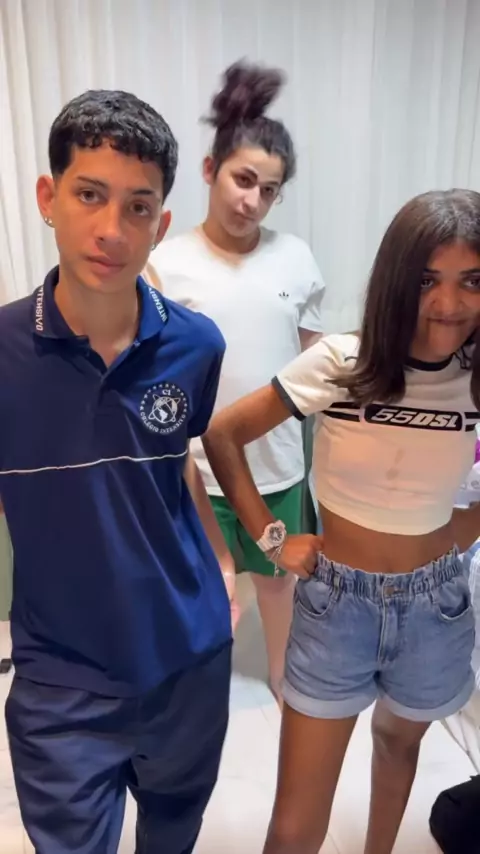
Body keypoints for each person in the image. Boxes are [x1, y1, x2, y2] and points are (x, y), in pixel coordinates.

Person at [202, 188, 480, 854]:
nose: (448, 303)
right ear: (396, 281)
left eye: (471, 280)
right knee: (295, 824)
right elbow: (223, 434)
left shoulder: (474, 378)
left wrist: (460, 532)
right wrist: (273, 538)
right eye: (427, 280)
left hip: (435, 607)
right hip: (337, 606)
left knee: (398, 746)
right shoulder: (342, 363)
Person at [0, 89, 236, 854]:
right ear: (48, 197)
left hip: (188, 658)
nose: (112, 230)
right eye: (89, 195)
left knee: (173, 837)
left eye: (139, 207)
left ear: (161, 224)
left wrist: (224, 564)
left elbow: (178, 464)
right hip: (60, 673)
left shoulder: (197, 344)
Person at [151, 60, 325, 704]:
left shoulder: (295, 258)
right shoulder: (165, 264)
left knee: (278, 581)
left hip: (277, 467)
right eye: (243, 180)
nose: (252, 200)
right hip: (195, 471)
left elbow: (311, 364)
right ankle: (195, 690)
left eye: (269, 190)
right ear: (210, 170)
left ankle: (282, 675)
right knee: (201, 587)